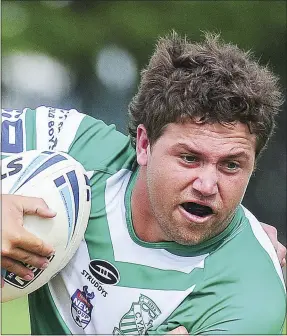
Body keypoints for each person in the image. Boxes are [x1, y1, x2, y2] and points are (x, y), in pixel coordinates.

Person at [1, 32, 286, 335]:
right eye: (189, 158)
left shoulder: (250, 295)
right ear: (144, 144)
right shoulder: (75, 145)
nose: (207, 185)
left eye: (231, 165)